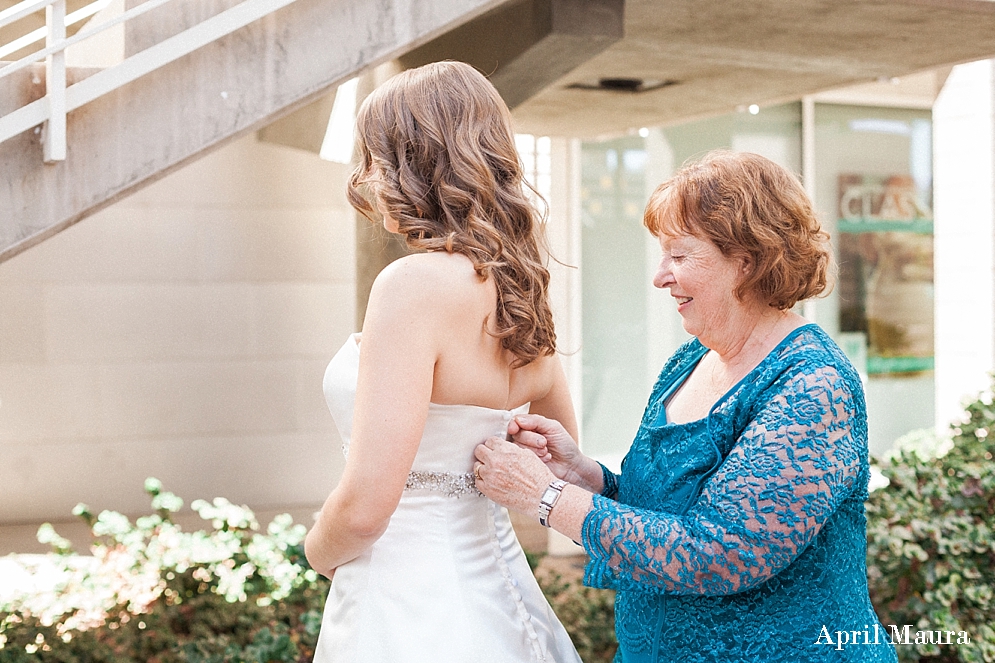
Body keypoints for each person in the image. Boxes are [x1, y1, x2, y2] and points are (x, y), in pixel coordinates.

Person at [474, 151, 899, 662]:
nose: (660, 276)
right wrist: (585, 477)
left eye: (679, 256)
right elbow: (669, 509)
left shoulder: (814, 383)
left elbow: (719, 552)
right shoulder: (688, 361)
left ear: (746, 259)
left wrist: (546, 498)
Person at [303, 61, 582, 663]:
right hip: (505, 594)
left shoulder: (412, 285)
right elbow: (561, 462)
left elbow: (368, 505)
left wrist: (318, 552)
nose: (367, 176)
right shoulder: (521, 289)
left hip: (408, 603)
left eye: (374, 156)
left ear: (410, 165)